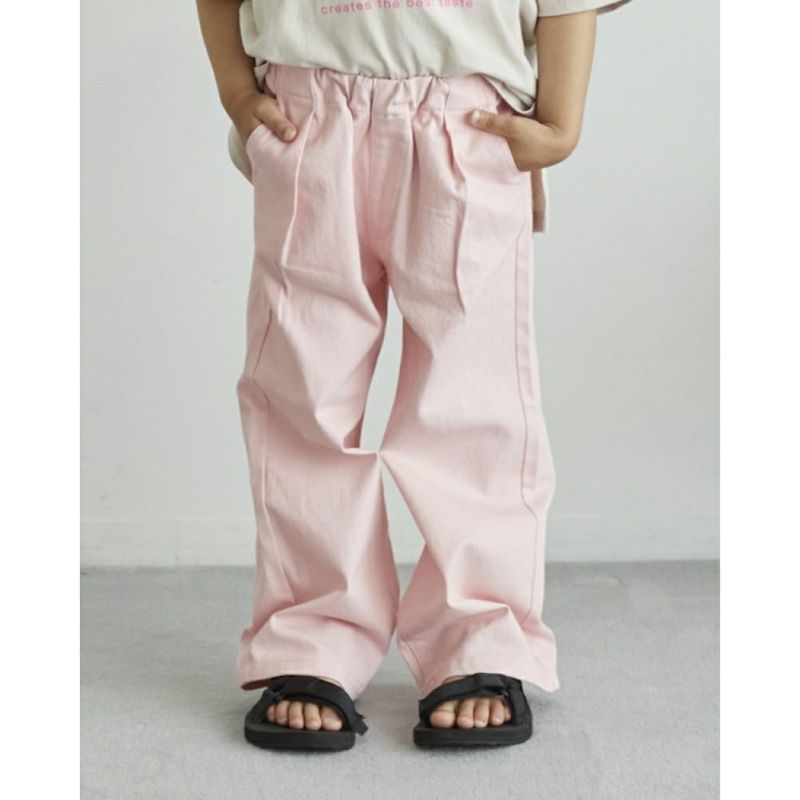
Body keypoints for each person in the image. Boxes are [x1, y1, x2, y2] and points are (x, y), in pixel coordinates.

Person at [196, 0, 634, 750]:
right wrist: (238, 92)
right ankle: (312, 632)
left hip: (466, 120)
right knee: (301, 391)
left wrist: (562, 118)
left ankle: (480, 632)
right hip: (307, 116)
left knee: (474, 398)